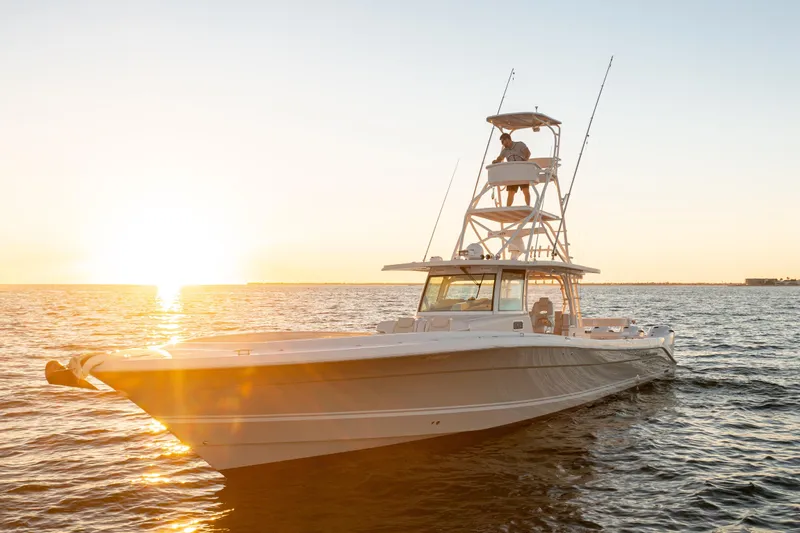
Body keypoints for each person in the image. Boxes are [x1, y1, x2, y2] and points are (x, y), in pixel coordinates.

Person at [492, 133, 531, 206]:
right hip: (512, 173)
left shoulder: (520, 144)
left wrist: (524, 161)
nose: (503, 144)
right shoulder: (505, 150)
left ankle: (528, 206)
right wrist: (496, 161)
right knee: (511, 192)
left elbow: (528, 153)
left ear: (507, 139)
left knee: (525, 190)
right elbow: (500, 158)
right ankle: (508, 208)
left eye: (503, 141)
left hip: (522, 171)